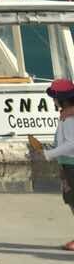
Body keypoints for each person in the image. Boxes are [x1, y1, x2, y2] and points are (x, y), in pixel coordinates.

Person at [29, 78, 74, 249]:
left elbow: (71, 143)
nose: (53, 101)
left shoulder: (69, 118)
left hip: (72, 165)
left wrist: (48, 154)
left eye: (55, 97)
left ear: (62, 98)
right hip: (67, 163)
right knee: (71, 200)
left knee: (73, 200)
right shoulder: (67, 115)